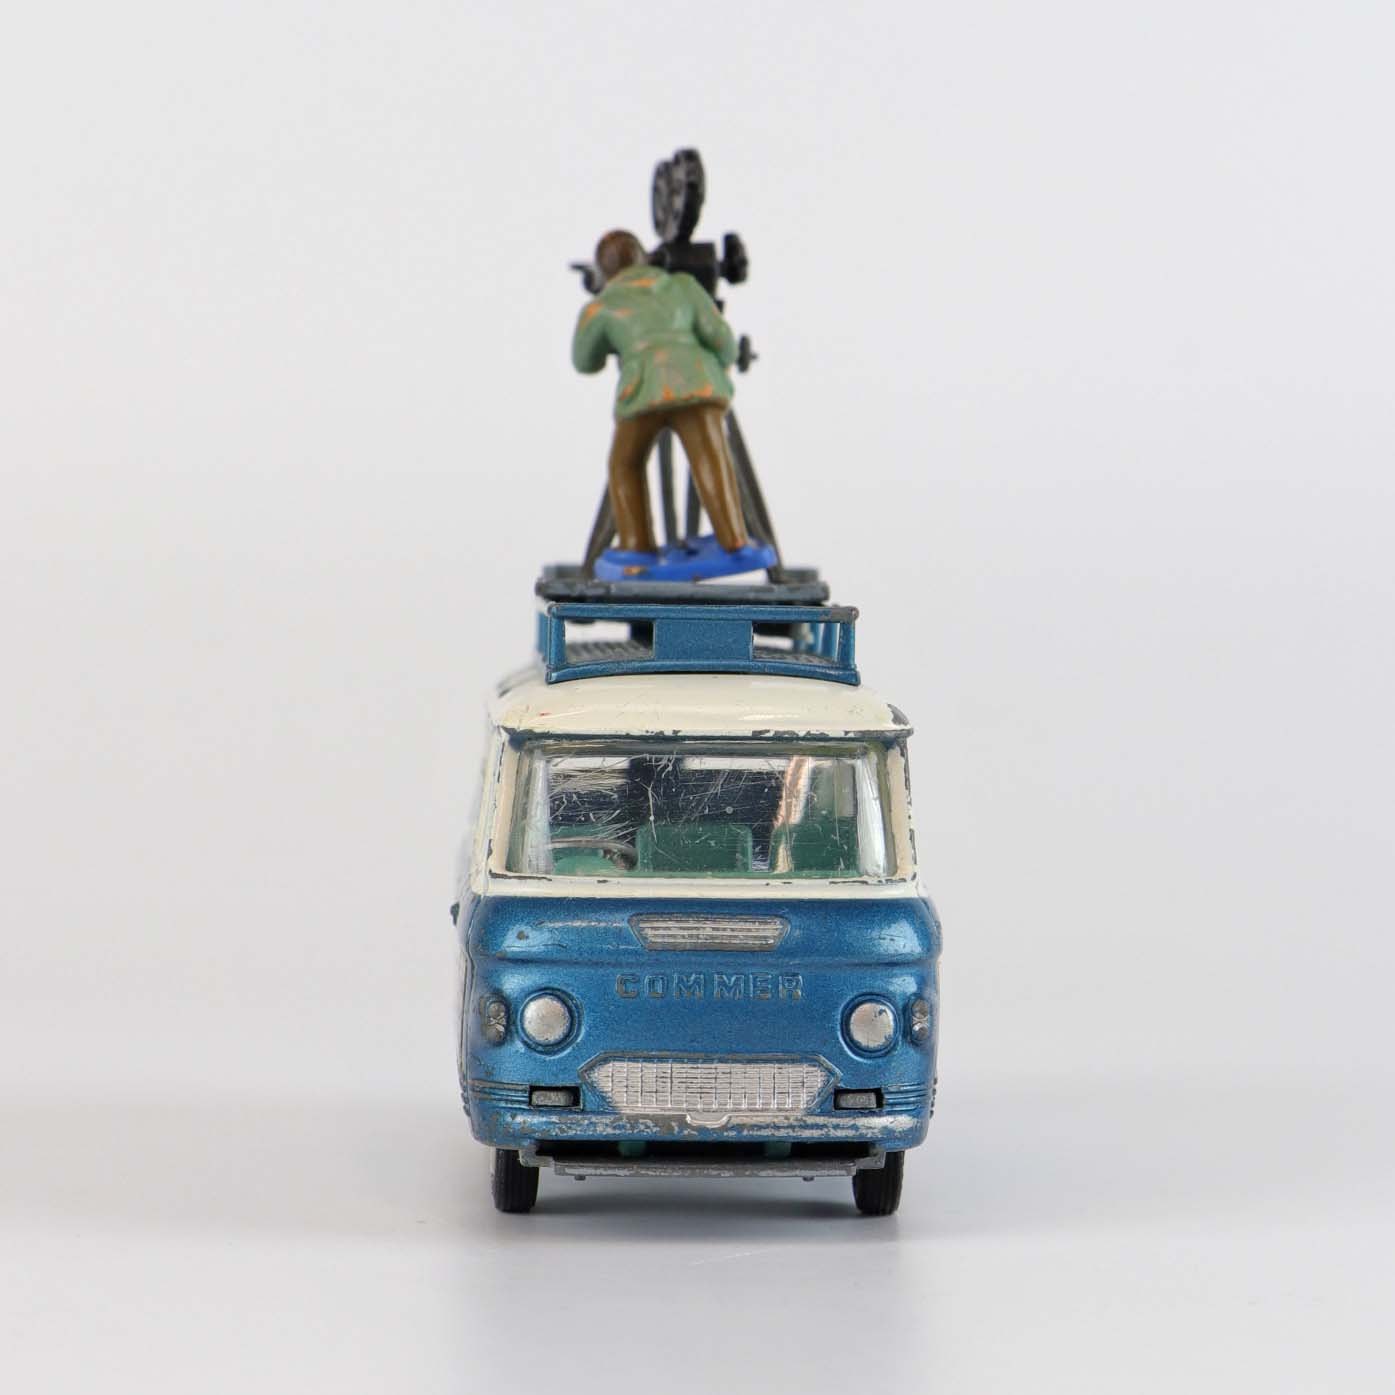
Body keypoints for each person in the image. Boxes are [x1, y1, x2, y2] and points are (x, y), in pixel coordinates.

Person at [572, 230, 749, 556]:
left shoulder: (600, 307)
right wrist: (722, 365)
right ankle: (734, 537)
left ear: (603, 272)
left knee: (625, 465)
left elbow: (584, 362)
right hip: (697, 381)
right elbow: (721, 338)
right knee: (712, 458)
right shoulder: (683, 285)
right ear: (645, 257)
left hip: (642, 390)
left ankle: (636, 545)